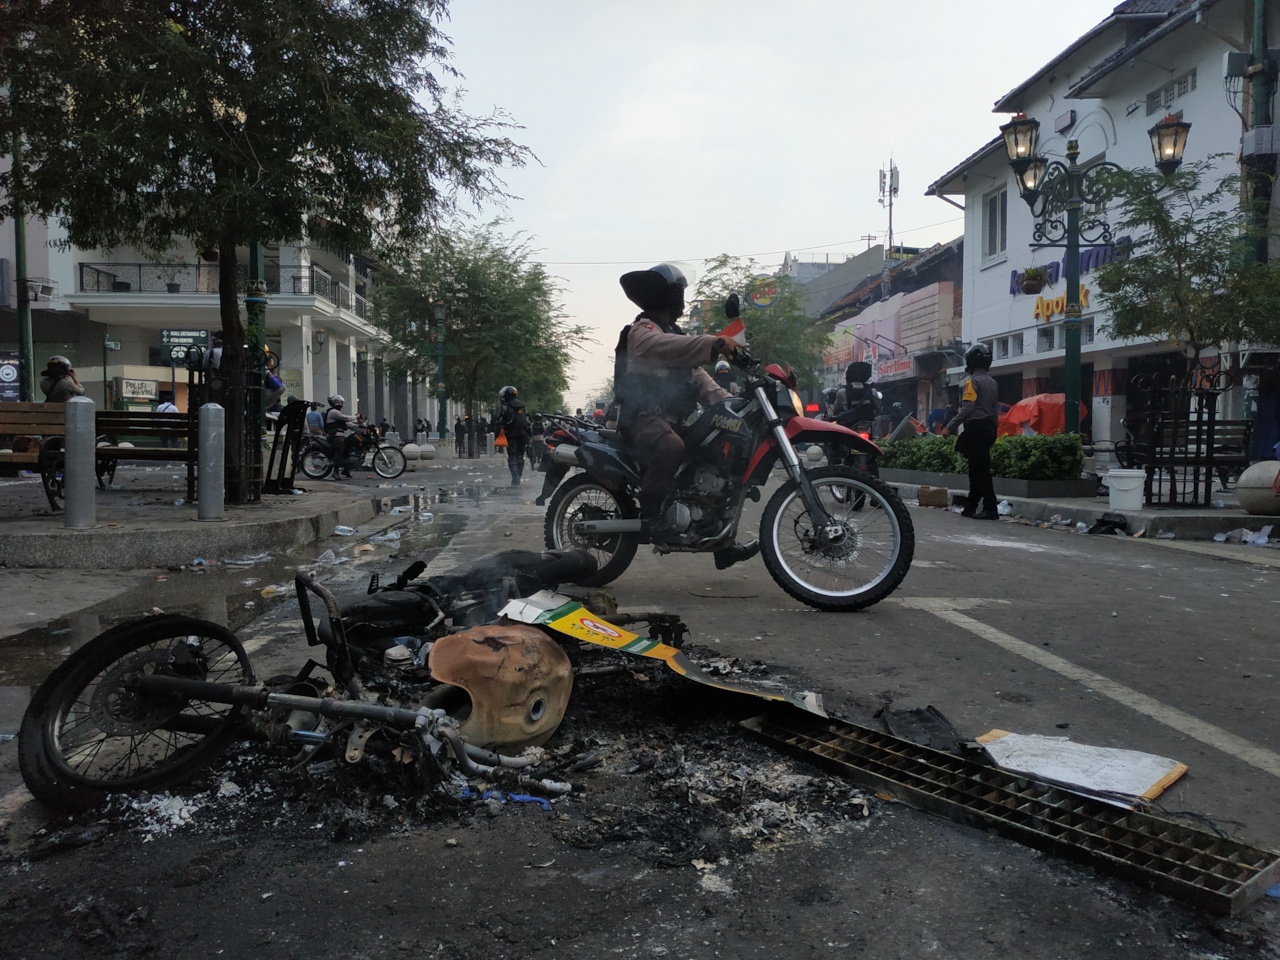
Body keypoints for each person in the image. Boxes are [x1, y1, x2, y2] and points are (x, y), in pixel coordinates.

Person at [614, 262, 758, 570]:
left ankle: (719, 539)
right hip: (642, 418)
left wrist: (734, 405)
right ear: (667, 296)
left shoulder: (674, 335)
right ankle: (651, 517)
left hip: (672, 421)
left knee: (717, 452)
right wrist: (713, 341)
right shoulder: (643, 331)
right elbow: (668, 347)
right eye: (678, 292)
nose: (681, 298)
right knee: (672, 447)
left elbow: (703, 383)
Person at [947, 343, 1000, 520]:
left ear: (971, 361)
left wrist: (950, 425)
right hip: (989, 429)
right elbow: (994, 410)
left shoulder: (972, 382)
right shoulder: (993, 383)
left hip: (977, 429)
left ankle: (991, 508)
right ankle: (971, 506)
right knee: (977, 468)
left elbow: (968, 408)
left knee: (980, 471)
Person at [495, 386, 532, 485]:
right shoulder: (523, 406)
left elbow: (499, 421)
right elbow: (528, 422)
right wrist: (529, 436)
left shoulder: (505, 407)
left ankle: (515, 477)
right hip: (523, 435)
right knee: (520, 456)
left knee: (512, 456)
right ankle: (519, 476)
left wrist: (500, 431)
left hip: (511, 434)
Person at [324, 394, 361, 479]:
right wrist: (356, 417)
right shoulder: (333, 412)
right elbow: (346, 418)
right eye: (337, 402)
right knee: (339, 451)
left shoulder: (337, 413)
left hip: (340, 435)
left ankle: (346, 469)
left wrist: (360, 427)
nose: (340, 404)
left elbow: (346, 424)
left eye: (341, 403)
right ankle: (336, 472)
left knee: (349, 448)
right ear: (333, 403)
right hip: (335, 437)